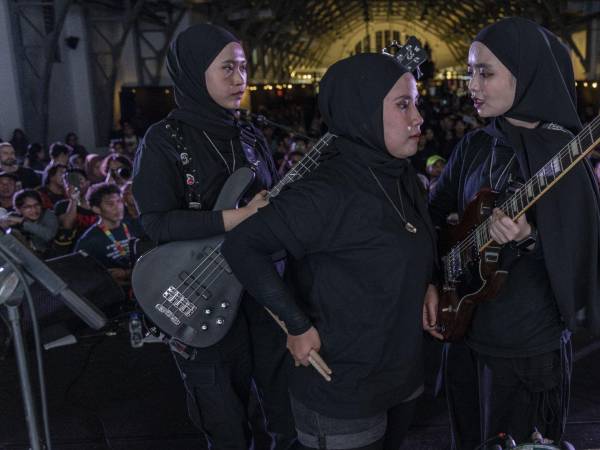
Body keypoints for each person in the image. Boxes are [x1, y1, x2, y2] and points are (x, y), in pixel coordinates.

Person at [222, 52, 439, 450]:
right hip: (342, 389)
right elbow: (241, 245)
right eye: (403, 104)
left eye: (417, 103)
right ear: (363, 111)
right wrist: (296, 325)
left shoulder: (399, 173)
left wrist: (425, 281)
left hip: (400, 374)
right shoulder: (327, 190)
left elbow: (410, 242)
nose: (418, 117)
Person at [429, 17, 600, 449]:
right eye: (471, 71)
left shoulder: (564, 154)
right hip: (465, 333)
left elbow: (582, 255)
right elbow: (435, 213)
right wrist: (435, 277)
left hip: (527, 348)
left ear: (526, 77)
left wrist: (530, 240)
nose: (473, 84)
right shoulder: (474, 145)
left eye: (485, 72)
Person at [132, 23, 296, 449]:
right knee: (225, 425)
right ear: (192, 72)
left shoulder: (250, 136)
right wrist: (234, 218)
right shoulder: (162, 140)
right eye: (227, 68)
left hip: (260, 294)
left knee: (287, 414)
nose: (239, 79)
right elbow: (155, 222)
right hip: (202, 292)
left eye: (242, 67)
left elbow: (271, 208)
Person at [75, 183, 133, 287]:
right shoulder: (89, 240)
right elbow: (80, 275)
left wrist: (126, 273)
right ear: (96, 209)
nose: (118, 208)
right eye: (110, 204)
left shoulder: (134, 226)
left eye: (119, 201)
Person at [53, 168, 97, 254]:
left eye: (79, 180)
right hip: (73, 251)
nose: (76, 184)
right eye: (70, 182)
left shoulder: (98, 204)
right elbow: (67, 225)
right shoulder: (62, 206)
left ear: (88, 182)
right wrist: (73, 200)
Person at [2, 189, 58, 257]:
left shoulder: (48, 215)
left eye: (37, 205)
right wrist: (5, 227)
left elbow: (49, 235)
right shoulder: (13, 217)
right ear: (18, 209)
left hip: (49, 257)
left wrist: (23, 222)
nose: (34, 210)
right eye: (28, 207)